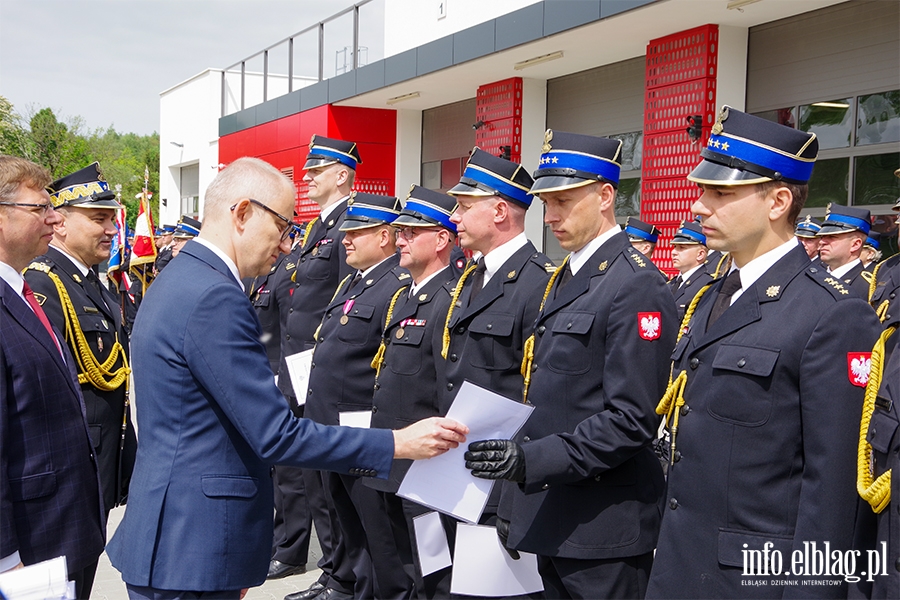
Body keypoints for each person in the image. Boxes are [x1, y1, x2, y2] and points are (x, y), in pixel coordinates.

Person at [105, 157, 467, 599]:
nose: (284, 245)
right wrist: (398, 443)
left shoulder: (180, 276)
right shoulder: (215, 296)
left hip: (180, 535)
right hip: (192, 544)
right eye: (281, 226)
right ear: (241, 213)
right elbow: (275, 435)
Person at [646, 106, 882, 598]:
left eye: (722, 193)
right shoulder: (713, 294)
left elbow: (832, 491)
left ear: (777, 201)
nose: (699, 206)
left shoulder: (831, 314)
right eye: (702, 190)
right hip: (678, 566)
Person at [464, 131, 677, 599]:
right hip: (555, 510)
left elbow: (632, 419)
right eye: (546, 202)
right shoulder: (568, 276)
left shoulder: (636, 285)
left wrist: (530, 460)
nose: (552, 215)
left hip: (604, 526)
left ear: (605, 197)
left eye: (563, 200)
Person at [0, 155, 106, 599]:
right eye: (39, 208)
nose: (54, 217)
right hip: (28, 546)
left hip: (62, 529)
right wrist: (6, 558)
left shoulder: (22, 291)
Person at [304, 192, 413, 600]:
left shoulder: (397, 285)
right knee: (344, 522)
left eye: (358, 231)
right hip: (331, 427)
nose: (345, 239)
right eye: (346, 231)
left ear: (385, 235)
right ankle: (345, 584)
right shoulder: (355, 280)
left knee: (376, 535)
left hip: (361, 429)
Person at [24, 162, 136, 515]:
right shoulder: (44, 283)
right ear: (60, 223)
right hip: (71, 465)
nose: (110, 229)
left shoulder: (90, 282)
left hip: (102, 460)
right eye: (97, 219)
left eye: (111, 219)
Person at [366, 185, 461, 598]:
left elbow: (446, 387)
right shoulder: (407, 295)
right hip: (393, 461)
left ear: (442, 239)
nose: (399, 239)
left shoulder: (450, 298)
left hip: (425, 472)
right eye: (399, 231)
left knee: (432, 574)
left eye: (410, 232)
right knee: (398, 568)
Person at [278, 136, 360, 598]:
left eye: (316, 170)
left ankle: (341, 574)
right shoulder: (315, 229)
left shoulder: (352, 223)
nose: (306, 178)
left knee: (327, 476)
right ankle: (330, 567)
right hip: (297, 361)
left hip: (320, 361)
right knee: (309, 472)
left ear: (342, 175)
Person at [816, 204, 873, 299]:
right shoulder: (815, 276)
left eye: (831, 237)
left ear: (855, 245)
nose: (822, 242)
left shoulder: (867, 287)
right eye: (822, 237)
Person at [669, 219, 713, 320]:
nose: (674, 252)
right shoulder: (671, 284)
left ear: (700, 254)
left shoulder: (707, 285)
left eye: (682, 247)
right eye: (675, 247)